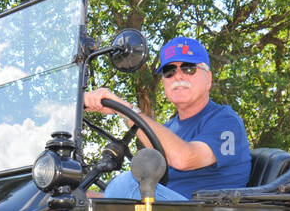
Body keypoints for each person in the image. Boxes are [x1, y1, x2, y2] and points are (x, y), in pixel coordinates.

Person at [83, 36, 251, 201]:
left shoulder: (226, 121)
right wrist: (91, 198)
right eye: (169, 71)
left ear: (208, 79)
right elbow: (152, 192)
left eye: (188, 68)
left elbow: (184, 158)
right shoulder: (169, 128)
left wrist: (124, 109)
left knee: (127, 184)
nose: (178, 76)